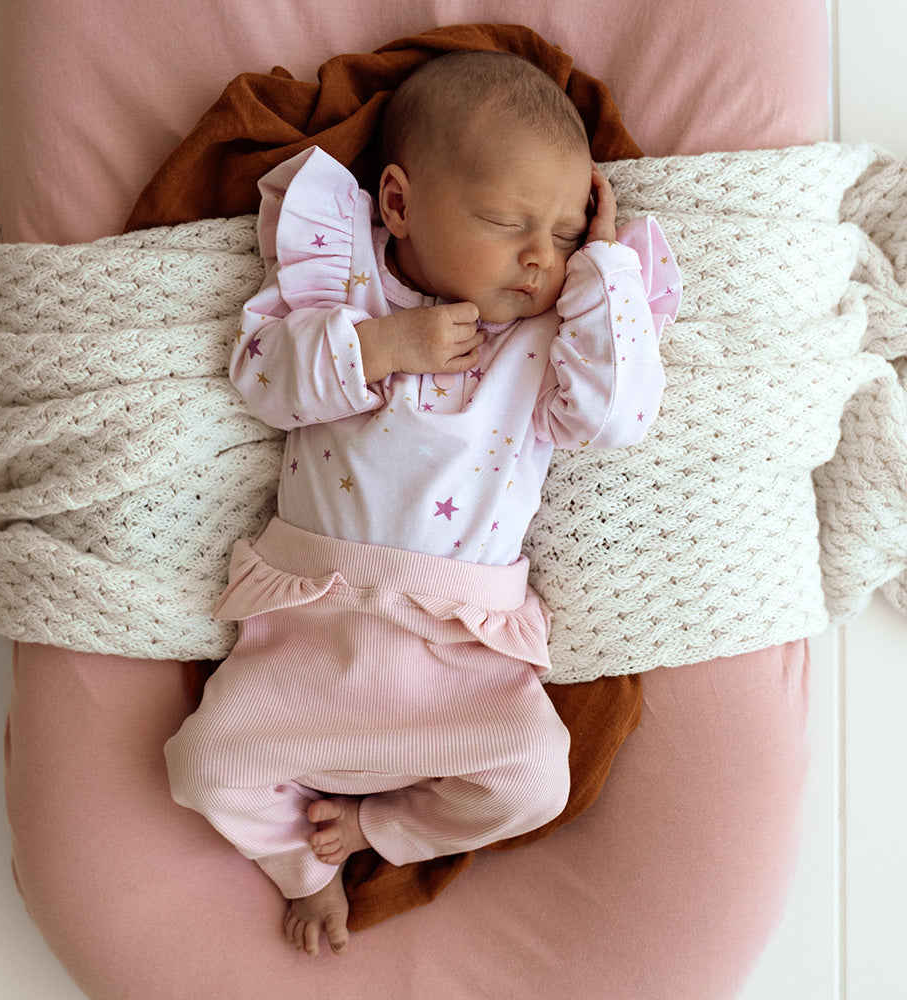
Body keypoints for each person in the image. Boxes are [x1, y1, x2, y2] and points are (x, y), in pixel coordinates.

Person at [164, 49, 681, 958]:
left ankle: (377, 831)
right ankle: (304, 867)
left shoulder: (547, 347)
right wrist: (377, 345)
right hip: (307, 642)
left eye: (560, 234)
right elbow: (262, 380)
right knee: (202, 767)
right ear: (398, 205)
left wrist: (600, 264)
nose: (536, 257)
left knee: (536, 778)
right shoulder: (348, 295)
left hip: (462, 662)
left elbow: (619, 416)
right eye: (507, 222)